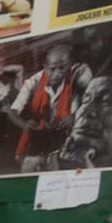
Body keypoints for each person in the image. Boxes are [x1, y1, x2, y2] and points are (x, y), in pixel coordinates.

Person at [10, 42, 93, 170]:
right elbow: (13, 112)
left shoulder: (79, 72)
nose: (57, 73)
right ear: (45, 67)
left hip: (70, 132)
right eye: (52, 69)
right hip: (44, 135)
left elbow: (91, 101)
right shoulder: (33, 82)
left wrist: (75, 116)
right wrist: (24, 124)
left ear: (70, 65)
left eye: (62, 68)